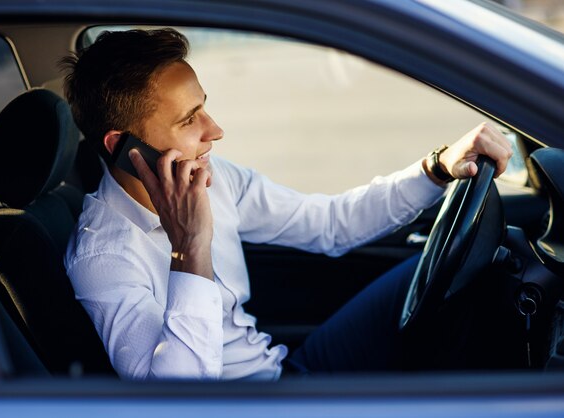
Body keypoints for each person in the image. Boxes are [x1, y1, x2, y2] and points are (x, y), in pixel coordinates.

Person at [61, 28, 513, 380]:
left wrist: (436, 168)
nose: (214, 130)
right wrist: (188, 248)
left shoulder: (214, 178)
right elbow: (179, 397)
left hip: (283, 372)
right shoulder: (104, 257)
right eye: (188, 120)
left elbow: (331, 225)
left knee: (457, 274)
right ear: (125, 148)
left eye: (205, 107)